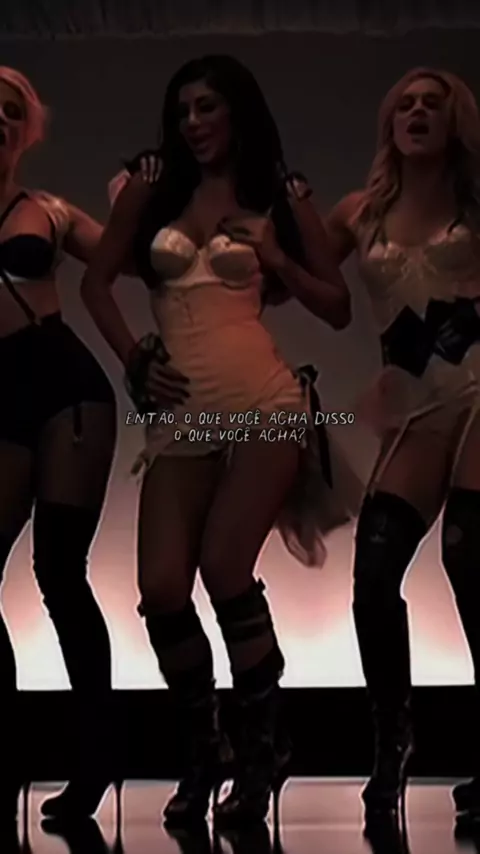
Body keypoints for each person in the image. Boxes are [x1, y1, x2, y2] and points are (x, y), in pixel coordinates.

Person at [81, 53, 356, 827]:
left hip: (266, 403)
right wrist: (134, 359)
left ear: (238, 110)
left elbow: (337, 306)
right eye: (182, 111)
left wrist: (276, 259)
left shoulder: (280, 195)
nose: (193, 123)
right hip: (183, 414)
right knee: (163, 589)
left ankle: (262, 757)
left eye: (207, 107)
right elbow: (95, 284)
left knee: (225, 567)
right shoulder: (151, 187)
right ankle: (207, 752)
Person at [0, 66, 156, 830]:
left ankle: (96, 760)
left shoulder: (48, 212)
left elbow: (133, 259)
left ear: (25, 132)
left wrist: (138, 201)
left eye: (11, 112)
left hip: (65, 388)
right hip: (0, 397)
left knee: (59, 573)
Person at [326, 67, 480, 828]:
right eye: (405, 105)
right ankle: (393, 742)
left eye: (433, 105)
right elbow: (309, 283)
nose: (417, 113)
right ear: (390, 123)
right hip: (416, 405)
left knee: (471, 562)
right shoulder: (360, 212)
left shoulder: (475, 205)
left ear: (456, 124)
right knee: (374, 571)